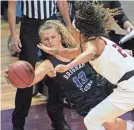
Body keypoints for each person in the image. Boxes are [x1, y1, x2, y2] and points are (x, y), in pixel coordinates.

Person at [5, 20, 134, 130]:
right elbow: (29, 81)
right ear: (42, 42)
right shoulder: (48, 64)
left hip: (101, 86)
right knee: (109, 124)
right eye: (46, 39)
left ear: (60, 37)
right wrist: (13, 77)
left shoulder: (76, 47)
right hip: (85, 100)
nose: (50, 41)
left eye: (53, 37)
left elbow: (98, 51)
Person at [39, 3, 134, 130]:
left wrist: (68, 67)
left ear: (78, 31)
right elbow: (70, 53)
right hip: (127, 84)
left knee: (92, 120)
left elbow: (89, 53)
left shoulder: (91, 45)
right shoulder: (97, 39)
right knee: (98, 120)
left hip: (129, 87)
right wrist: (54, 51)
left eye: (72, 28)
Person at [8, 1, 72, 130]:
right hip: (29, 26)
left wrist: (69, 25)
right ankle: (18, 124)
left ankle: (58, 119)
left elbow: (61, 2)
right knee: (25, 75)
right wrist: (14, 34)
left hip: (51, 23)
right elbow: (12, 6)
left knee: (57, 70)